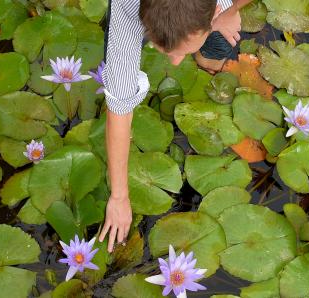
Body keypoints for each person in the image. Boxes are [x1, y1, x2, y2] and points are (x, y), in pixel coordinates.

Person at [99, 0, 252, 252]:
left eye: (184, 50)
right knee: (117, 68)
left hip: (218, 12)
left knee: (219, 44)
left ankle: (209, 59)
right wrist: (119, 196)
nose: (177, 62)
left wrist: (232, 10)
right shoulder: (127, 12)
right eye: (164, 50)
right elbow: (120, 110)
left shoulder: (218, 9)